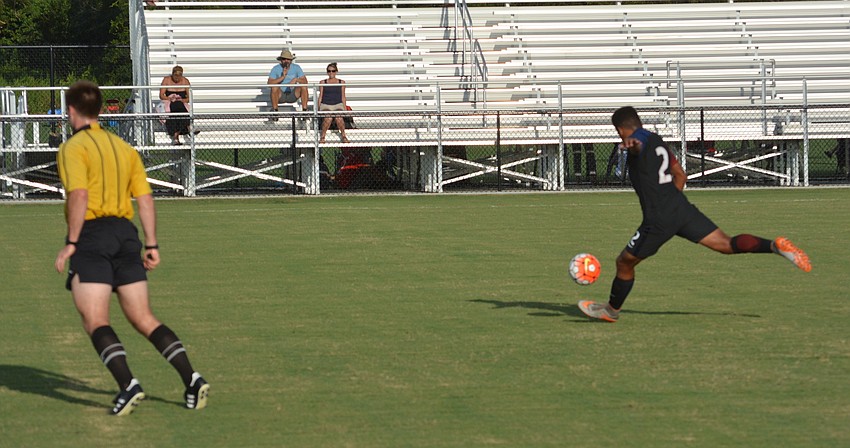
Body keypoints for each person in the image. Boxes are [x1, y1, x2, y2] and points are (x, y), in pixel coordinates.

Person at [54, 80, 210, 415]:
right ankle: (192, 379)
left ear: (71, 111)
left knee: (95, 319)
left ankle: (128, 385)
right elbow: (145, 199)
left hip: (93, 236)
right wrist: (151, 244)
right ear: (99, 110)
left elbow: (79, 195)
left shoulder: (72, 148)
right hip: (127, 234)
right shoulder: (123, 148)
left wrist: (71, 243)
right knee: (143, 317)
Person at [578, 106, 812, 323]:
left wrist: (632, 144)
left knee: (624, 262)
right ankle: (774, 246)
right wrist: (671, 202)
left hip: (659, 219)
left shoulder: (637, 141)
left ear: (620, 129)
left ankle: (611, 310)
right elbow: (681, 175)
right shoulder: (657, 140)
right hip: (681, 208)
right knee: (726, 244)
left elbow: (637, 143)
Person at [267, 49, 309, 120]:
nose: (286, 61)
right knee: (274, 87)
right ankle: (275, 111)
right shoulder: (276, 68)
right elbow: (269, 83)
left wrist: (296, 79)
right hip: (280, 95)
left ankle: (305, 111)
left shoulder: (296, 67)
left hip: (293, 94)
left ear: (291, 60)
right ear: (281, 60)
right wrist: (282, 77)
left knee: (303, 86)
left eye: (288, 59)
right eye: (284, 59)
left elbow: (305, 81)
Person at [159, 65, 195, 145]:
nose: (177, 78)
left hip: (181, 103)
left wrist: (182, 100)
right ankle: (188, 126)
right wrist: (170, 98)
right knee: (177, 107)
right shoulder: (166, 80)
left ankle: (176, 137)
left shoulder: (185, 81)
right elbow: (161, 95)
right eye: (175, 76)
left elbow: (188, 98)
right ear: (172, 74)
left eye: (179, 76)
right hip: (170, 102)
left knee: (179, 106)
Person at [318, 62, 350, 143]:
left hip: (337, 104)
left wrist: (345, 109)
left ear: (336, 71)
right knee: (328, 117)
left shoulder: (341, 82)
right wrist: (318, 108)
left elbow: (343, 96)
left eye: (333, 71)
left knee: (338, 117)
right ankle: (322, 136)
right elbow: (320, 96)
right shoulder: (323, 82)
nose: (331, 73)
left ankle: (343, 136)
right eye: (329, 71)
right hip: (326, 104)